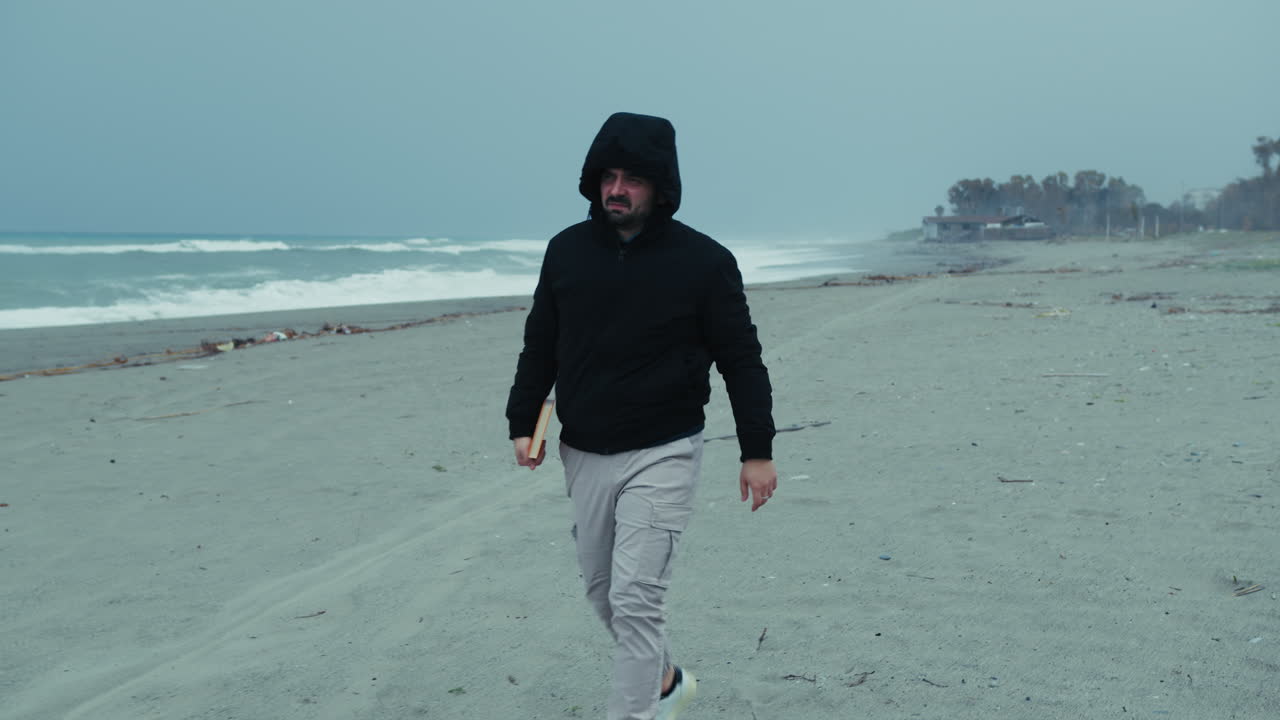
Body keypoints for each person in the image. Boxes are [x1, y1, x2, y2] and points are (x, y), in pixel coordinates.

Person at [506, 111, 778, 720]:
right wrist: (523, 421)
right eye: (607, 175)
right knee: (604, 593)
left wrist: (756, 450)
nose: (616, 188)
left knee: (636, 599)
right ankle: (664, 679)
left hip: (664, 449)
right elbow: (540, 343)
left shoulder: (705, 263)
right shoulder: (566, 252)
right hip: (583, 451)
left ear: (660, 185)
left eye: (631, 177)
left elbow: (742, 360)